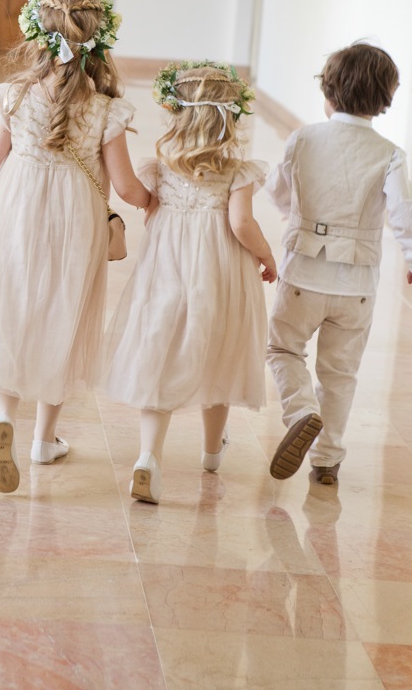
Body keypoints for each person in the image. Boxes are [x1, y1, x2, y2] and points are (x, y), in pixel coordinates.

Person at [0, 0, 152, 493]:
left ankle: (2, 419)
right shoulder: (106, 108)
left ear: (37, 36)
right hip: (75, 220)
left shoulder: (17, 95)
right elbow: (123, 185)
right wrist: (151, 200)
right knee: (63, 315)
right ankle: (44, 440)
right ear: (99, 41)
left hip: (17, 209)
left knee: (10, 311)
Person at [100, 61, 276, 505]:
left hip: (167, 270)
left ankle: (148, 458)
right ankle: (212, 452)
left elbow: (137, 197)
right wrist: (265, 253)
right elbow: (241, 223)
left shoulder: (160, 165)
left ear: (176, 113)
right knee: (217, 352)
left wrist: (149, 203)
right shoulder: (237, 170)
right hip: (220, 273)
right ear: (230, 119)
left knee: (161, 351)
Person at [266, 42, 412, 486]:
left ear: (328, 90)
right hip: (357, 284)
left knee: (283, 349)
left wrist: (295, 219)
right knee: (339, 373)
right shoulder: (389, 153)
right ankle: (327, 459)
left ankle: (301, 412)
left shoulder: (303, 138)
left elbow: (279, 189)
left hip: (303, 271)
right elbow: (406, 210)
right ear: (384, 99)